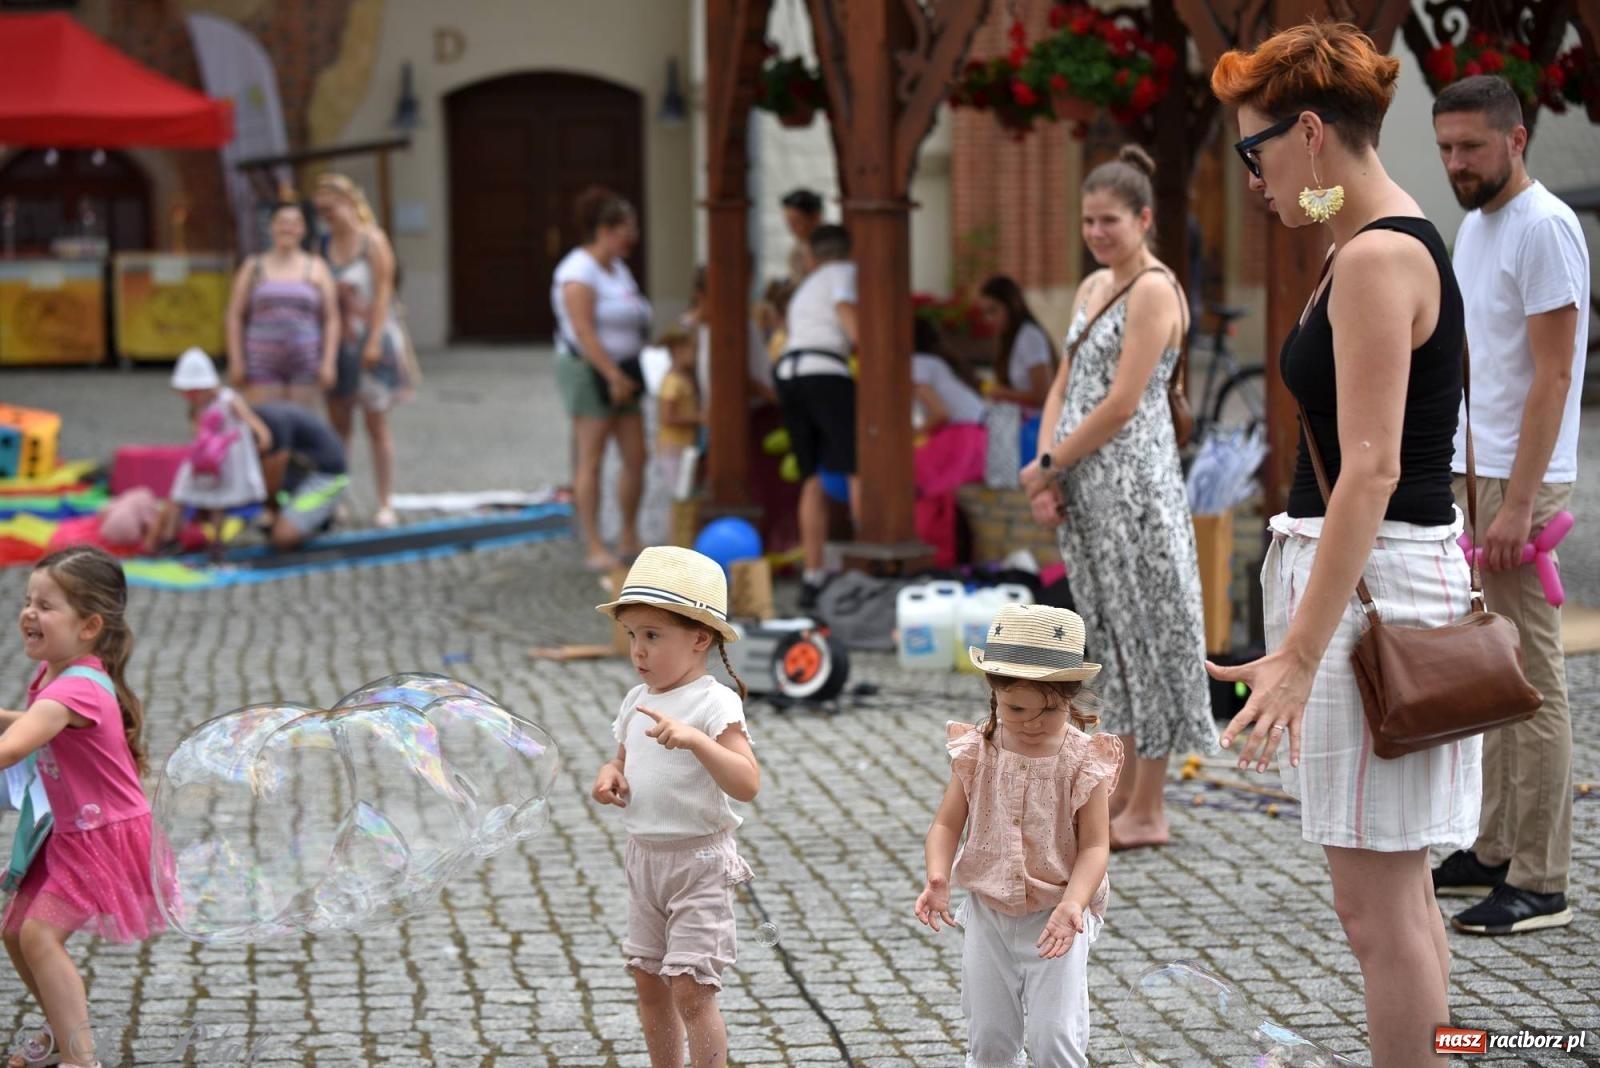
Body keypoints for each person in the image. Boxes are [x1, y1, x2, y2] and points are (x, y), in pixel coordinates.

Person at [1207, 23, 1480, 1065]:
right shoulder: (1366, 237)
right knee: (1397, 900)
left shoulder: (1372, 256)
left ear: (1310, 133)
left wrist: (1298, 655)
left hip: (1373, 595)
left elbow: (1367, 469)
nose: (1254, 180)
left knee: (1377, 917)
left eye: (1256, 152)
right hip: (1374, 584)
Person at [1019, 145, 1216, 852]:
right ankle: (1127, 793)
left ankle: (1151, 805)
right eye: (1088, 221)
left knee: (1151, 641)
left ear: (1143, 219)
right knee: (1111, 642)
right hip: (1088, 491)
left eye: (1110, 221)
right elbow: (1066, 382)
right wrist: (1047, 466)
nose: (1098, 233)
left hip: (1136, 497)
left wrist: (1050, 464)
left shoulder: (1155, 289)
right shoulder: (1091, 286)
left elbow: (1123, 402)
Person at [1430, 75, 1589, 935]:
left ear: (1516, 139)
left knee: (1531, 681)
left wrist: (1518, 503)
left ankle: (1542, 880)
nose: (1456, 163)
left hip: (1517, 485)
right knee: (1489, 673)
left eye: (1471, 148)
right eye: (1447, 147)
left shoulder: (1546, 229)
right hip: (1474, 473)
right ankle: (1492, 849)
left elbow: (1555, 374)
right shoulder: (1477, 223)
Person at [915, 603, 1119, 1067]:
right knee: (989, 1040)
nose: (1032, 723)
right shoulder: (979, 750)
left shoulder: (1083, 760)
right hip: (989, 915)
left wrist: (1074, 903)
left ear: (1071, 697)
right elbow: (947, 824)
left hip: (1058, 917)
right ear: (994, 692)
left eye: (1050, 711)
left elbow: (1095, 845)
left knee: (1054, 1040)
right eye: (1018, 709)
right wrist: (938, 876)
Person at [589, 546, 761, 1068]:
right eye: (633, 636)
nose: (638, 651)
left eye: (653, 636)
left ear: (699, 638)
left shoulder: (715, 704)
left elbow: (747, 782)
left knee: (690, 986)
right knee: (648, 979)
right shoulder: (635, 698)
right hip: (645, 860)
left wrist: (697, 742)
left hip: (700, 863)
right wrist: (609, 774)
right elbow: (623, 756)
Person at [2, 547, 170, 1068]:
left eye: (47, 606)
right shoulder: (60, 673)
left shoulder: (75, 689)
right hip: (69, 828)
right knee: (13, 929)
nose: (30, 612)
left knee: (38, 934)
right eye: (28, 601)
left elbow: (14, 746)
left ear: (90, 625)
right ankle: (59, 1033)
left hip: (103, 837)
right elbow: (25, 723)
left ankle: (82, 1059)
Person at [552, 186, 653, 572]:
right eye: (626, 230)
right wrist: (610, 374)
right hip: (589, 370)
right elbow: (583, 331)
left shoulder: (618, 268)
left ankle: (629, 533)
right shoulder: (577, 272)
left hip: (625, 371)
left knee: (635, 456)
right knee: (591, 457)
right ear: (604, 230)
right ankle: (593, 541)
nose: (632, 238)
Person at [314, 172, 405, 529]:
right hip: (337, 346)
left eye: (330, 207)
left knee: (376, 422)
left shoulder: (373, 241)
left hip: (371, 343)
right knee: (338, 428)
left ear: (348, 202)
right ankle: (340, 499)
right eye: (320, 210)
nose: (326, 215)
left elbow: (384, 292)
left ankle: (385, 500)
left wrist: (373, 339)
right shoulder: (321, 246)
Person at [776, 224, 858, 608]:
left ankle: (813, 575)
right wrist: (866, 345)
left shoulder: (804, 288)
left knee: (812, 478)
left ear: (812, 256)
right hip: (826, 372)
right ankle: (864, 564)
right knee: (854, 466)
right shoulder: (843, 272)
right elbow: (844, 308)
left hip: (790, 374)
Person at [224, 199, 339, 409]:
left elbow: (331, 318)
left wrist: (328, 362)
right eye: (282, 222)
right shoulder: (253, 267)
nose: (288, 228)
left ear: (303, 229)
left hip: (305, 362)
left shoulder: (317, 267)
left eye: (295, 223)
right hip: (261, 362)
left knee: (301, 427)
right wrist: (236, 360)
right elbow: (235, 315)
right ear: (271, 227)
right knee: (267, 427)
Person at [165, 347, 270, 558]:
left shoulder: (228, 399)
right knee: (179, 493)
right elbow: (197, 433)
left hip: (222, 462)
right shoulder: (197, 408)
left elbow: (249, 419)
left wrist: (262, 436)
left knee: (218, 502)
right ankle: (170, 537)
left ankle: (216, 542)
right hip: (201, 462)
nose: (191, 397)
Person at [253, 402, 351, 552]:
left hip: (328, 477)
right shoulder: (258, 418)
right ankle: (302, 515)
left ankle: (324, 517)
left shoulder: (273, 422)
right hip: (300, 472)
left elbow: (272, 484)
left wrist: (271, 509)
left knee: (282, 538)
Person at [977, 275, 1055, 412]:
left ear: (1011, 306)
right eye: (985, 313)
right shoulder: (1010, 338)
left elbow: (1044, 394)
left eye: (993, 310)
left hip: (1036, 425)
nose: (988, 319)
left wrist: (1002, 393)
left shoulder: (1029, 336)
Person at [911, 316, 986, 432]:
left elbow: (940, 413)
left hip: (964, 431)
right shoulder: (933, 361)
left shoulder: (917, 363)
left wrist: (913, 435)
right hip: (977, 428)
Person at [654, 329, 702, 504]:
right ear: (678, 351)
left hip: (684, 445)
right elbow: (667, 417)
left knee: (685, 495)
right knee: (680, 497)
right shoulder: (673, 381)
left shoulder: (685, 378)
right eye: (693, 351)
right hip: (673, 448)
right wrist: (699, 418)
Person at [780, 188, 824, 282]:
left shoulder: (833, 245)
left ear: (816, 217)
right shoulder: (796, 251)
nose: (792, 229)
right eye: (789, 224)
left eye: (797, 222)